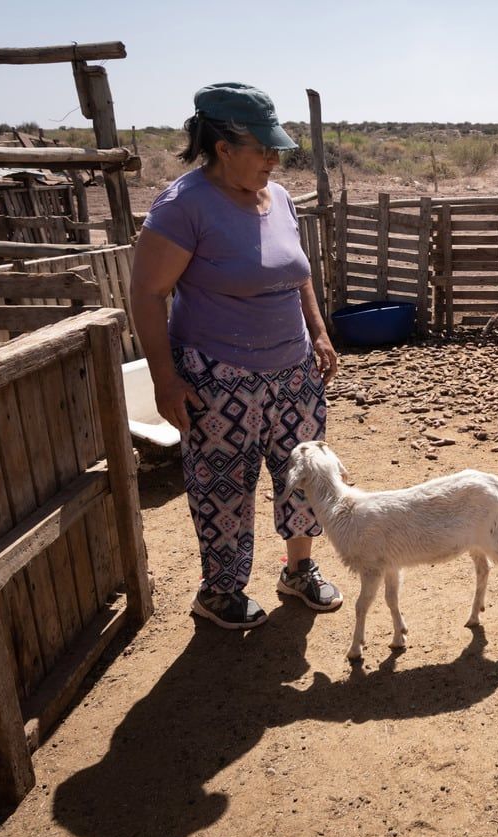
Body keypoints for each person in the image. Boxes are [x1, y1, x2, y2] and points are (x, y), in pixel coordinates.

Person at [130, 82, 342, 629]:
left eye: (276, 148)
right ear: (223, 148)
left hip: (293, 370)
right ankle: (220, 590)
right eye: (263, 149)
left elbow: (298, 274)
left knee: (304, 472)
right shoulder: (184, 206)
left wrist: (318, 331)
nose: (274, 159)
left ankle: (299, 570)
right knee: (223, 484)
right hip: (219, 373)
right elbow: (147, 294)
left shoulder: (280, 198)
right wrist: (165, 378)